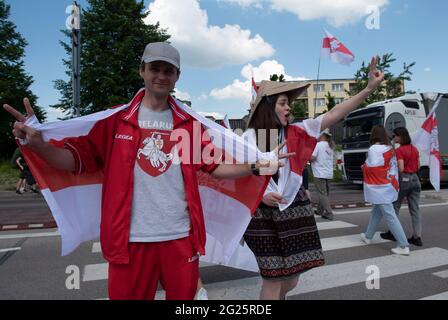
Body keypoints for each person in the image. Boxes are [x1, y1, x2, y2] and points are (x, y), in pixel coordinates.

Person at [3, 42, 290, 300]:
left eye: (169, 70)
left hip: (180, 238)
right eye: (155, 68)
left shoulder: (186, 125)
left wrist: (258, 166)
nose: (161, 76)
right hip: (130, 241)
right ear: (142, 70)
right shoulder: (116, 121)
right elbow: (75, 161)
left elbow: (214, 166)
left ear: (177, 77)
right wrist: (40, 146)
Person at [242, 56, 385, 300]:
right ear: (268, 106)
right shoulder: (248, 138)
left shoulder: (298, 131)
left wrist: (368, 89)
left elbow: (336, 112)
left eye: (289, 104)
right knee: (273, 279)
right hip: (261, 214)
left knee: (292, 279)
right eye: (283, 103)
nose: (289, 108)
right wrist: (261, 194)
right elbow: (232, 178)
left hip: (294, 208)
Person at [360, 125, 410, 256]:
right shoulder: (390, 148)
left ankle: (403, 245)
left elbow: (373, 168)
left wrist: (364, 167)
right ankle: (368, 236)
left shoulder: (374, 148)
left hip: (380, 187)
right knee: (377, 211)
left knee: (390, 215)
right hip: (389, 185)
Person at [380, 127, 423, 246]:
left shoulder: (400, 150)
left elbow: (401, 168)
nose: (394, 138)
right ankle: (417, 236)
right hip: (415, 179)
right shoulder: (414, 149)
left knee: (395, 207)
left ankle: (393, 232)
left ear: (400, 136)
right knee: (415, 209)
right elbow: (418, 166)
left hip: (404, 179)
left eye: (395, 136)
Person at [310, 129, 335, 220]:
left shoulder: (318, 145)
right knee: (325, 193)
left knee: (322, 194)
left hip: (319, 172)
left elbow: (312, 157)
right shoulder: (331, 145)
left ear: (322, 135)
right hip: (328, 173)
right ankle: (320, 210)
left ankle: (329, 213)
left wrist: (307, 158)